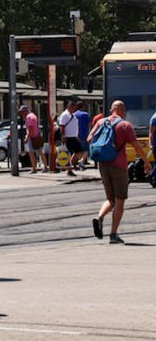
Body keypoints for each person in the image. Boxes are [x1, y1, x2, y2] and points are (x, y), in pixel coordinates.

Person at [87, 100, 150, 244]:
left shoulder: (101, 122)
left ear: (111, 110)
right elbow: (137, 147)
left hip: (103, 164)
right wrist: (146, 162)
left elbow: (89, 139)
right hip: (119, 165)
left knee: (110, 199)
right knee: (120, 200)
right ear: (123, 111)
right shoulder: (125, 125)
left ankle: (100, 217)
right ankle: (113, 234)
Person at [58, 99, 83, 176]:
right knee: (68, 153)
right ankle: (69, 170)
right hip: (68, 137)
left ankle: (70, 165)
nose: (75, 109)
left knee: (79, 152)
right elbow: (61, 126)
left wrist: (77, 136)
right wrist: (62, 136)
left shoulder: (73, 115)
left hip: (74, 137)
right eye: (73, 107)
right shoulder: (64, 115)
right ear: (69, 107)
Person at [21, 105, 43, 172]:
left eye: (22, 112)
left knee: (31, 153)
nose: (21, 114)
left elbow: (30, 129)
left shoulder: (28, 117)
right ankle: (45, 166)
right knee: (40, 152)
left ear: (25, 111)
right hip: (37, 136)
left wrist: (27, 138)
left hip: (32, 137)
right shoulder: (33, 115)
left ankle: (34, 168)